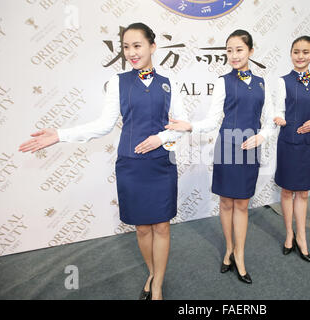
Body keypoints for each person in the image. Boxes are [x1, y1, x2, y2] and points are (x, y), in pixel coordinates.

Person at [18, 23, 187, 300]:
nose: (132, 52)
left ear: (152, 47)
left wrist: (162, 138)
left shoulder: (170, 82)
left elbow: (182, 125)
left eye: (137, 45)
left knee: (162, 226)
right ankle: (152, 272)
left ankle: (157, 286)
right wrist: (60, 134)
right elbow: (103, 125)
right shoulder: (118, 82)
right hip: (130, 166)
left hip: (161, 164)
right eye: (126, 47)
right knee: (143, 227)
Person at [165, 29, 275, 284]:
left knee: (243, 205)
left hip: (250, 147)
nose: (234, 55)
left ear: (250, 51)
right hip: (227, 145)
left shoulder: (263, 83)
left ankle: (241, 255)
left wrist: (263, 136)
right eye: (229, 50)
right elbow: (213, 120)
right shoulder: (223, 81)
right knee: (226, 203)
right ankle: (228, 249)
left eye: (239, 50)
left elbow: (270, 120)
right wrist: (189, 125)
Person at [273, 36, 310, 263]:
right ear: (291, 54)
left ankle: (302, 237)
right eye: (296, 52)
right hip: (288, 142)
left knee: (303, 193)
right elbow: (277, 109)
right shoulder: (282, 81)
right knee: (287, 191)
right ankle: (289, 235)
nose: (300, 56)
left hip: (308, 144)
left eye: (305, 52)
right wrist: (278, 118)